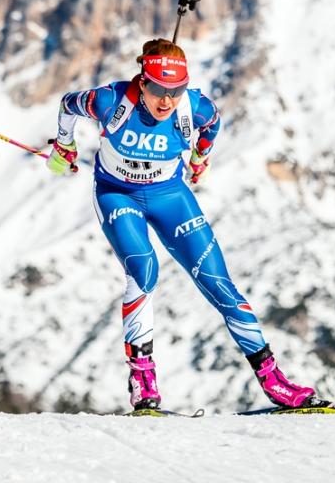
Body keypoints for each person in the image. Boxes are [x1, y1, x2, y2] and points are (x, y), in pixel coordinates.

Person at [46, 38, 315, 411]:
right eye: (158, 89)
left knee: (219, 282)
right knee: (144, 269)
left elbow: (213, 125)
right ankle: (143, 380)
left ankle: (274, 380)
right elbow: (67, 105)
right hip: (116, 193)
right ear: (142, 81)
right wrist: (64, 146)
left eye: (176, 90)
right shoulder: (111, 102)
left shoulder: (196, 108)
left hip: (169, 196)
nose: (167, 100)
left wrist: (200, 157)